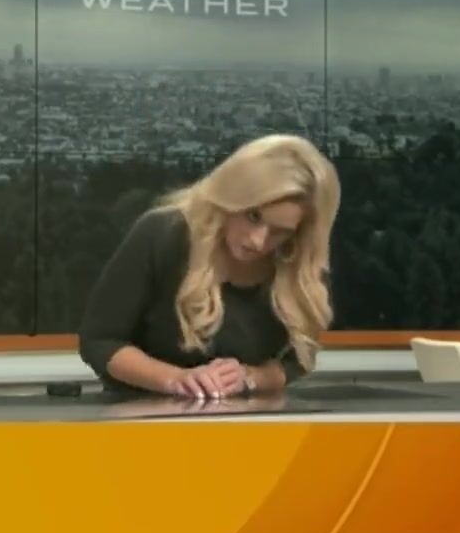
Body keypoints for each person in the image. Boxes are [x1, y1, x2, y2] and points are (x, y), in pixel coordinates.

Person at [78, 134, 339, 399]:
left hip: (248, 419)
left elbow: (296, 361)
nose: (258, 241)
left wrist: (250, 377)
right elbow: (100, 341)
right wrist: (176, 380)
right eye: (253, 216)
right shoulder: (162, 234)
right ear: (231, 196)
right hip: (141, 415)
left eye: (280, 231)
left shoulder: (299, 263)